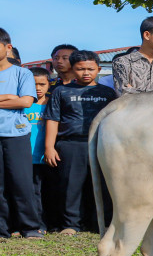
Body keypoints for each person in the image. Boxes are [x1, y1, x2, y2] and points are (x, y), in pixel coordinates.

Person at [43, 50, 117, 235]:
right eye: (80, 69)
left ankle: (102, 223)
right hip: (70, 144)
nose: (86, 73)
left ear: (98, 69)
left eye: (90, 69)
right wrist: (49, 147)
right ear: (72, 69)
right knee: (70, 186)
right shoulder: (61, 91)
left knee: (102, 186)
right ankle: (71, 225)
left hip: (101, 144)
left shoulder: (107, 92)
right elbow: (53, 119)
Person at [0, 28, 43, 239]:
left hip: (15, 133)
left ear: (8, 47)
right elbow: (17, 99)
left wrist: (14, 98)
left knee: (21, 181)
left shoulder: (22, 73)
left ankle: (30, 227)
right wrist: (8, 97)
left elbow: (26, 101)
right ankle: (2, 229)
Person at [24, 67, 51, 233]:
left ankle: (44, 224)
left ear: (49, 84)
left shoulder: (52, 104)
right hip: (26, 157)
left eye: (42, 84)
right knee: (30, 192)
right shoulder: (21, 104)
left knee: (45, 192)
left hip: (46, 157)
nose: (38, 88)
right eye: (33, 84)